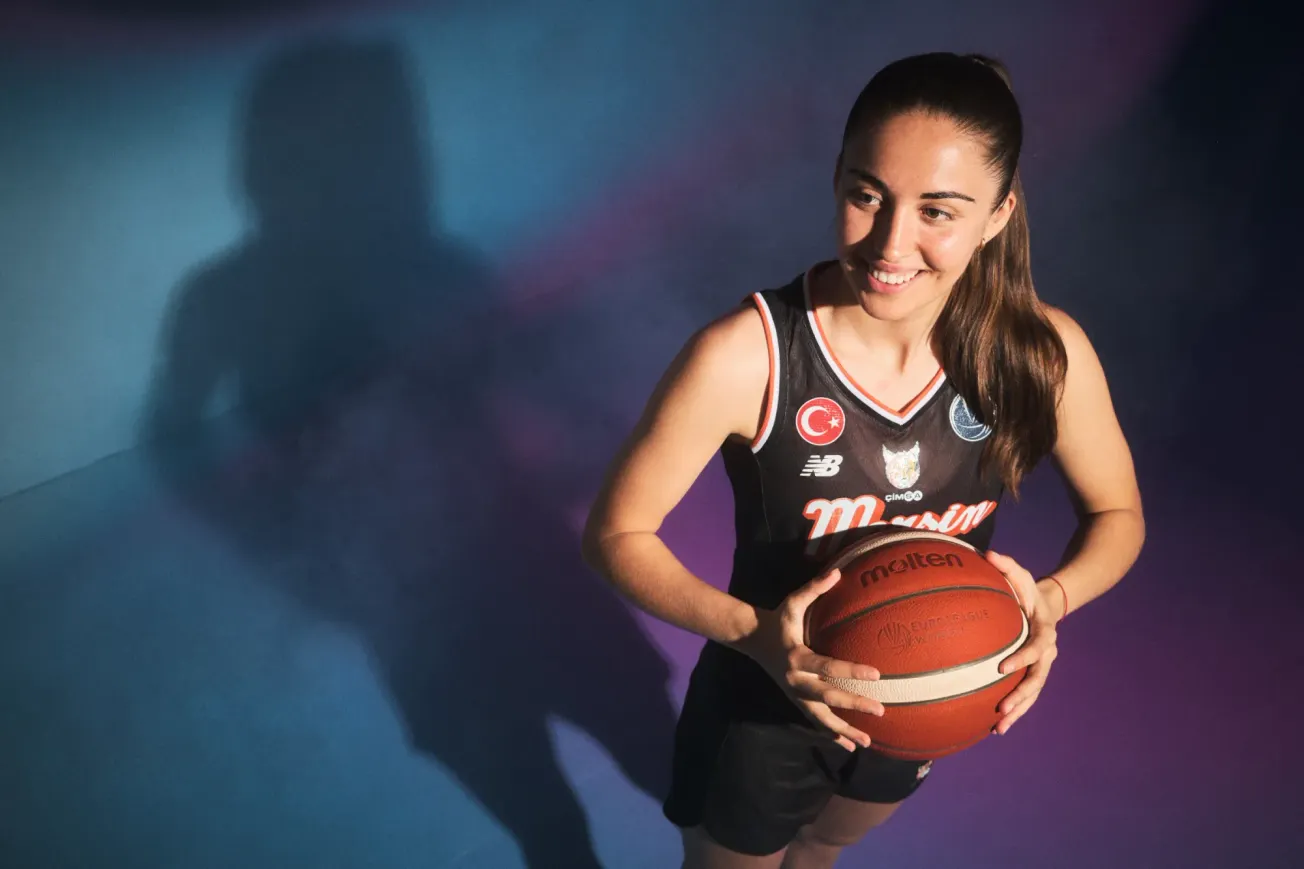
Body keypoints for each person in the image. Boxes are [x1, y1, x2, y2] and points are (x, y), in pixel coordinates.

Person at [581, 52, 1145, 869]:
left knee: (821, 848)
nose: (890, 242)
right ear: (837, 178)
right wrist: (757, 635)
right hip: (761, 706)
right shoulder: (749, 356)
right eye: (867, 195)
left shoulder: (1039, 354)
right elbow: (614, 534)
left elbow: (1118, 515)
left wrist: (1051, 601)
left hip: (921, 697)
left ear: (998, 215)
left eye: (938, 211)